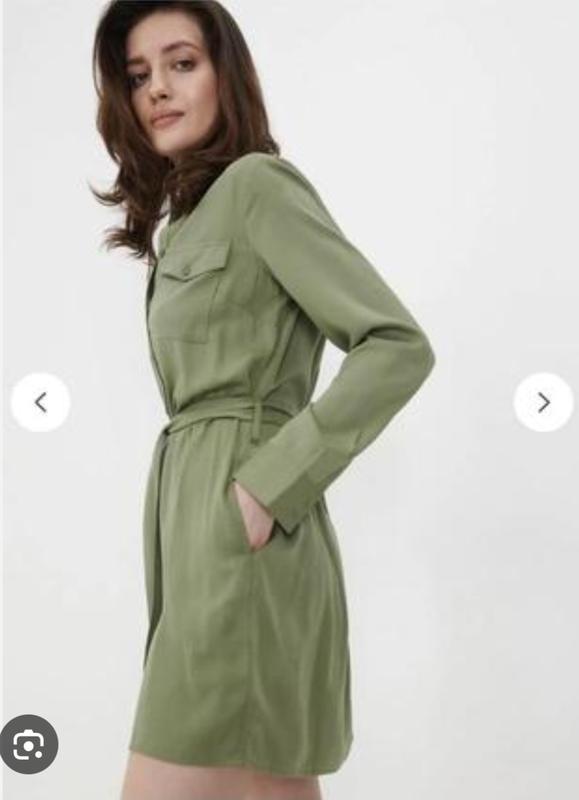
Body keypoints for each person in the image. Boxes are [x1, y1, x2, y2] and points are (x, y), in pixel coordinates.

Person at [91, 2, 436, 798]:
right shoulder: (186, 225)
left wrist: (265, 487)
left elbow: (395, 345)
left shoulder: (257, 187)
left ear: (226, 74)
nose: (157, 89)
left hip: (240, 525)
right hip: (193, 525)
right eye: (138, 76)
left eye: (182, 63)